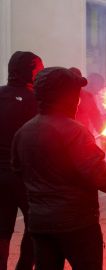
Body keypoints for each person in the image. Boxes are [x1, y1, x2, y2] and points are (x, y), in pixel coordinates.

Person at [12, 67, 106, 270]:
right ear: (68, 97)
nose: (79, 98)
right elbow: (98, 174)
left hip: (40, 224)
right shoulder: (75, 131)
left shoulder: (23, 132)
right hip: (77, 225)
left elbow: (19, 171)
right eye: (76, 93)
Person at [0, 51, 43, 270]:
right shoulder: (36, 101)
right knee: (35, 226)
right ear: (28, 71)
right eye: (38, 69)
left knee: (1, 230)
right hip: (24, 177)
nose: (40, 74)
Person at [71, 68, 106, 152]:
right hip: (68, 140)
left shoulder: (89, 97)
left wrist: (103, 136)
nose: (100, 89)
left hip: (84, 139)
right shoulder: (60, 98)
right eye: (100, 85)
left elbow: (96, 118)